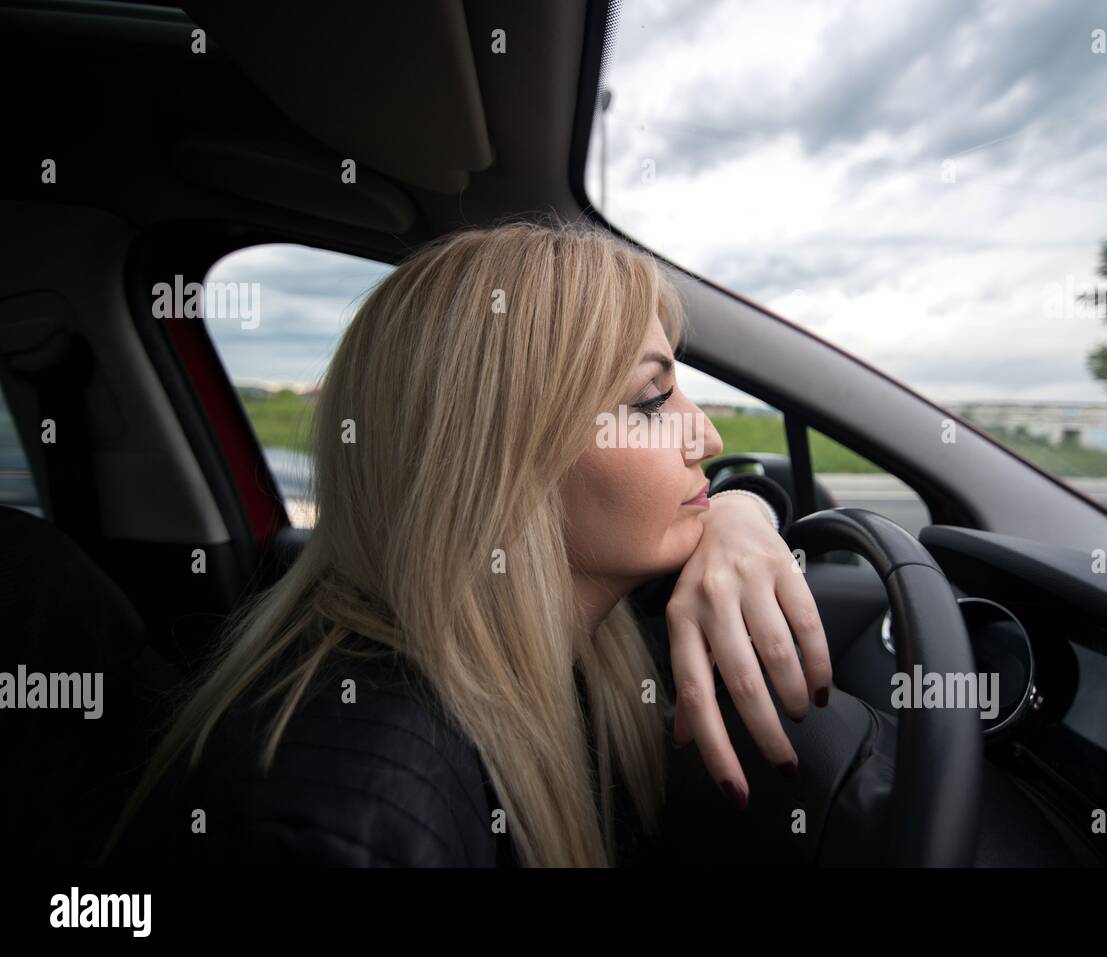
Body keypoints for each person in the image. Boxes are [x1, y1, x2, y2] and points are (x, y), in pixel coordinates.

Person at [100, 218, 833, 868]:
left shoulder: (586, 616)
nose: (705, 434)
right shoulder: (357, 809)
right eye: (649, 400)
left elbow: (743, 484)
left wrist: (740, 513)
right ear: (499, 461)